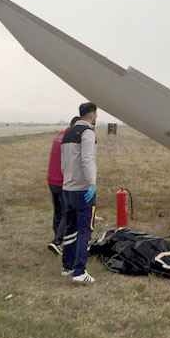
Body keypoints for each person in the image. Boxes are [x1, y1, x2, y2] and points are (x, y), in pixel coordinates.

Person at [60, 102, 98, 284]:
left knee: (70, 228)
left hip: (67, 188)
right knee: (85, 230)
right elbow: (87, 160)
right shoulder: (88, 133)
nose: (96, 118)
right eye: (96, 115)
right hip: (83, 190)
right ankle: (80, 271)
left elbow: (64, 162)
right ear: (91, 115)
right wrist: (92, 183)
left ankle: (67, 266)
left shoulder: (68, 133)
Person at [47, 116, 81, 255]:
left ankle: (56, 238)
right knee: (68, 212)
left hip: (52, 179)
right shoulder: (70, 138)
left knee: (58, 211)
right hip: (63, 181)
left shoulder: (59, 135)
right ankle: (58, 241)